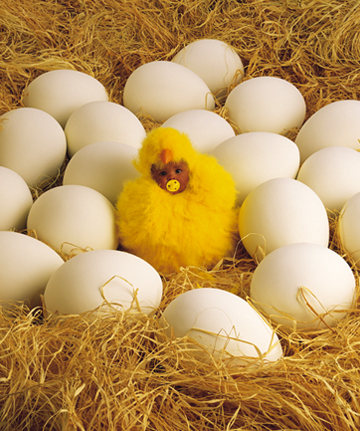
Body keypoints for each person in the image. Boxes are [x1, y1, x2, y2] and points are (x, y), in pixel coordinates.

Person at [115, 127, 238, 274]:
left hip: (210, 258)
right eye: (163, 173)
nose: (171, 177)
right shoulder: (143, 197)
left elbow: (225, 199)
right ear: (152, 176)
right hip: (160, 266)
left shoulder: (206, 185)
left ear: (189, 169)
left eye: (178, 171)